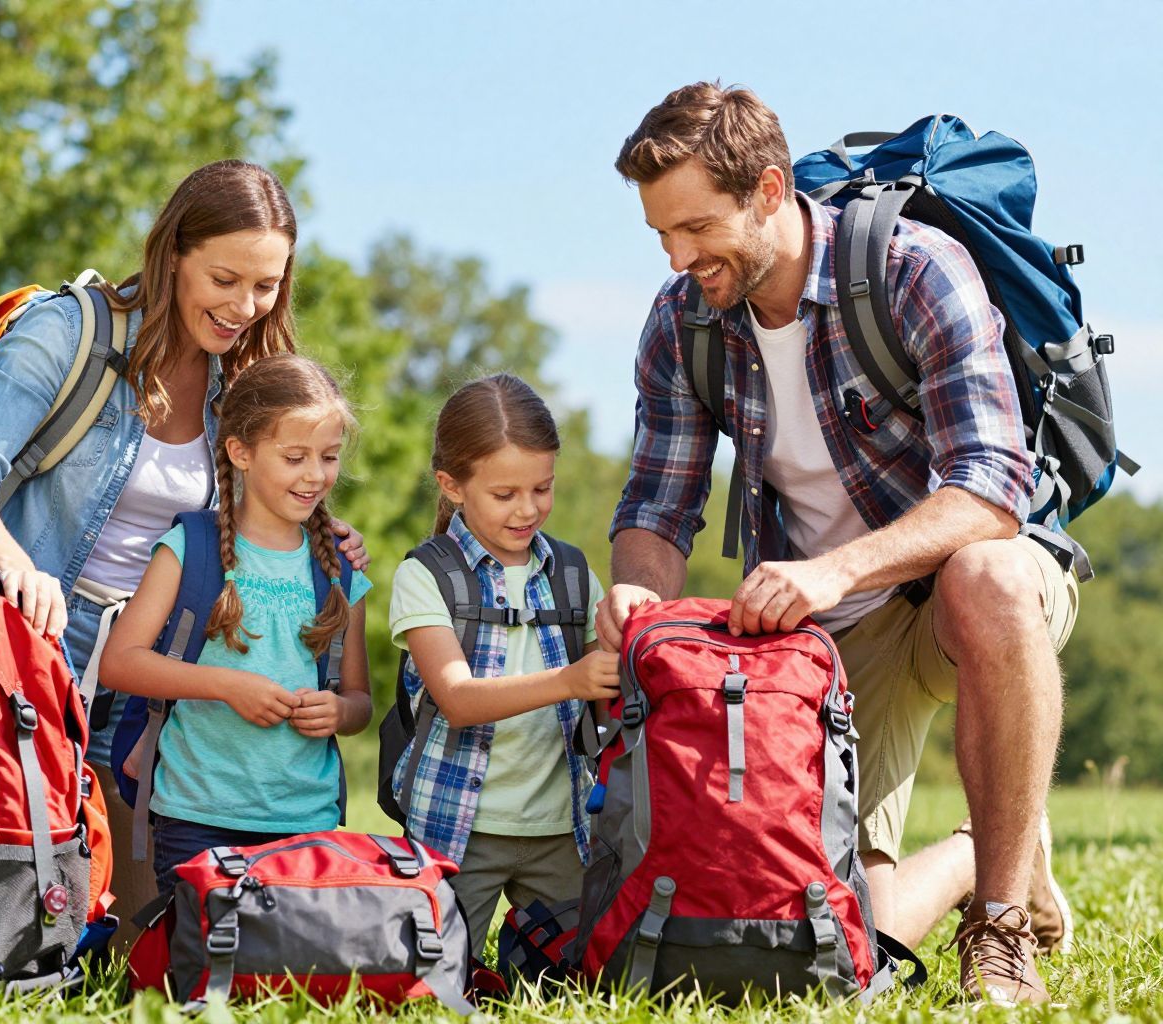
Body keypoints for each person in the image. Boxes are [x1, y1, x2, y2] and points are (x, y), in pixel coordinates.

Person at [595, 82, 1077, 1005]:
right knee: (848, 941)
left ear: (769, 191)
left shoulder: (913, 268)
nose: (678, 255)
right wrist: (641, 605)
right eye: (661, 233)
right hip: (831, 641)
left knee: (990, 576)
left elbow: (991, 488)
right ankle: (990, 848)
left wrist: (835, 569)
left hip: (955, 592)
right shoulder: (683, 320)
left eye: (695, 227)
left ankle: (1003, 925)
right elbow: (658, 506)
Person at [0, 160, 365, 951]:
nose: (243, 306)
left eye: (266, 286)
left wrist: (320, 537)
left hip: (162, 657)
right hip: (42, 632)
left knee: (145, 927)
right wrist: (15, 567)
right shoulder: (73, 332)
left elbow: (268, 487)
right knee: (12, 877)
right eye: (224, 278)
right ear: (173, 255)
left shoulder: (246, 379)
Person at [97, 354, 372, 897]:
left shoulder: (340, 569)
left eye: (329, 456)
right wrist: (227, 686)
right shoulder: (187, 549)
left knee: (284, 975)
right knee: (202, 969)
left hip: (303, 819)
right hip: (193, 812)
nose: (315, 475)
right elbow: (120, 661)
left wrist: (338, 711)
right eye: (295, 457)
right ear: (240, 451)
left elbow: (361, 702)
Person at [388, 374, 617, 962]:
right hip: (457, 828)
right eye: (505, 493)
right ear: (452, 486)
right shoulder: (426, 575)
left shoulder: (570, 573)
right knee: (434, 980)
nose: (528, 508)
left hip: (561, 828)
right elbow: (458, 699)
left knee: (583, 973)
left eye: (543, 488)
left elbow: (606, 685)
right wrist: (571, 680)